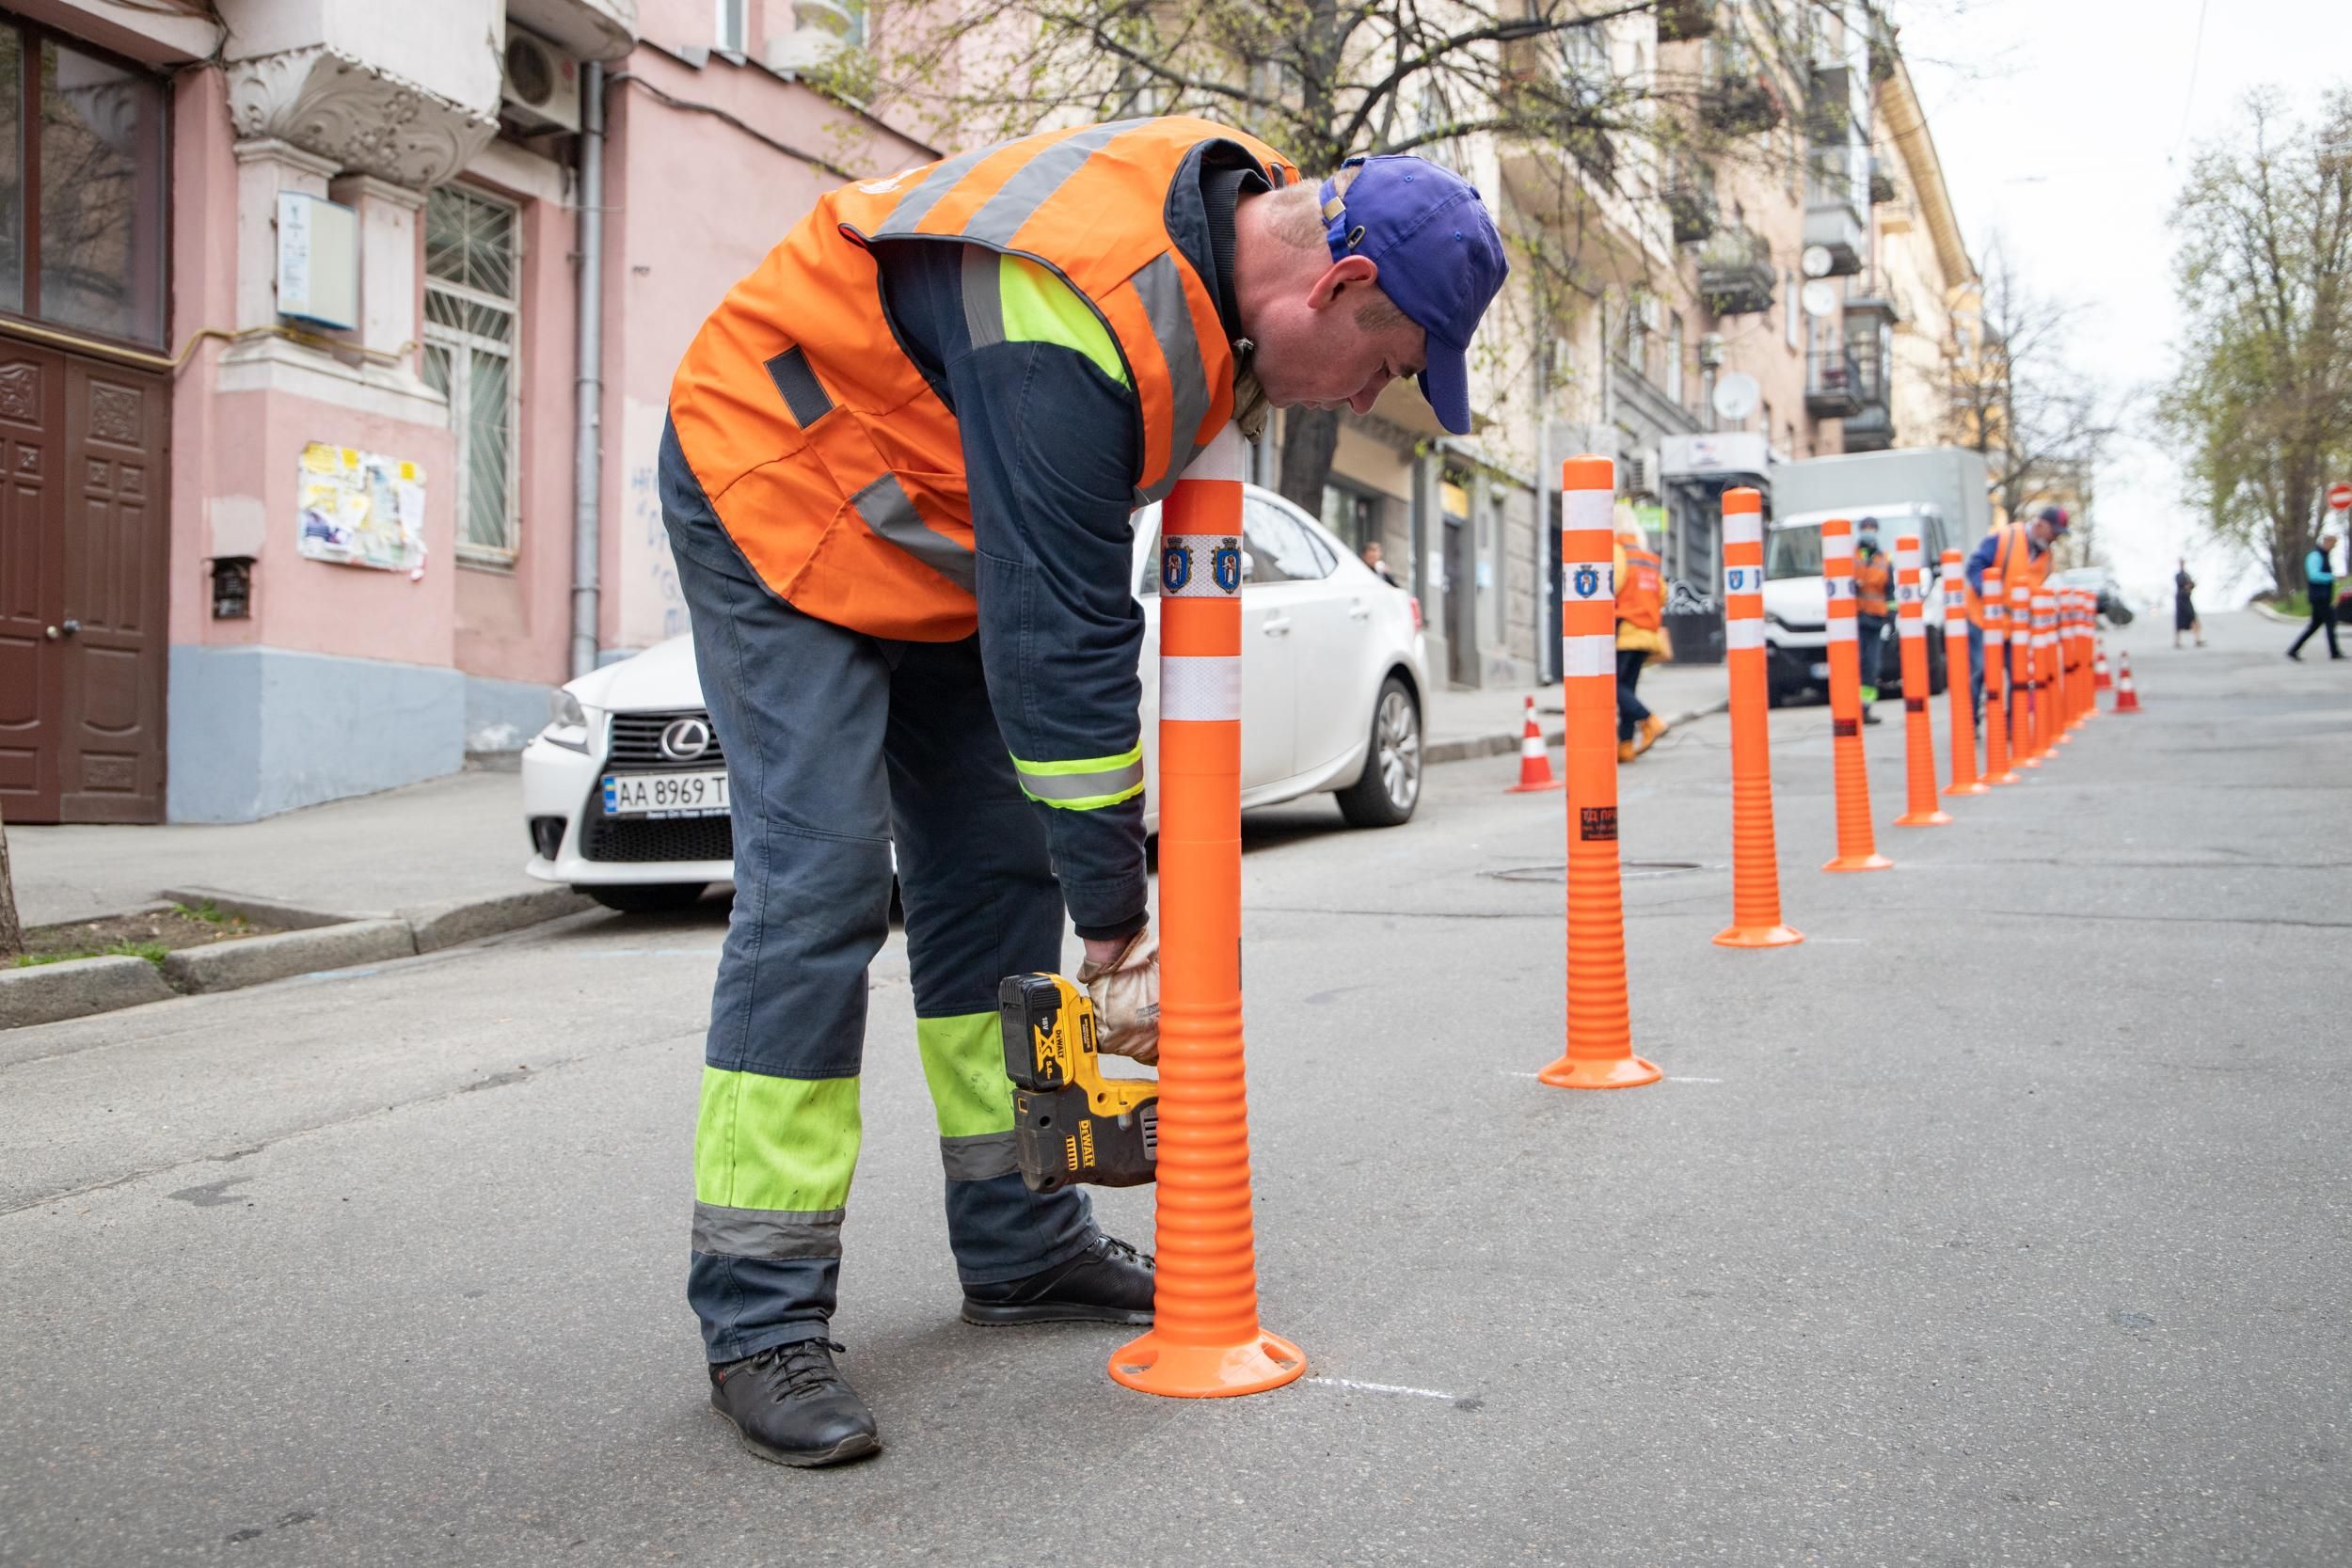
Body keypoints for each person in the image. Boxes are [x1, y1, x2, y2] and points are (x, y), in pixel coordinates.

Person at [660, 119, 1507, 1467]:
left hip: (939, 533)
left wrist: (1081, 886)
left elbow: (1050, 602)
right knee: (822, 880)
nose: (1362, 400)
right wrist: (1116, 914)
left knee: (994, 874)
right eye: (1384, 365)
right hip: (781, 480)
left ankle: (1020, 1244)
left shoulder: (1233, 248)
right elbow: (1065, 637)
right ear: (1336, 289)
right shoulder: (1072, 307)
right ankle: (759, 1314)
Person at [1964, 502, 2069, 725]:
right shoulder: (2005, 538)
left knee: (2018, 673)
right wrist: (1988, 592)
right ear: (2040, 524)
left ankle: (2013, 725)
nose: (2055, 539)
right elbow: (1974, 566)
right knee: (1979, 670)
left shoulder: (2047, 558)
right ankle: (1969, 722)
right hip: (1983, 618)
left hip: (2015, 626)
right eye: (2054, 532)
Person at [1613, 525, 1670, 760]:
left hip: (1626, 630)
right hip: (1647, 631)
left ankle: (1649, 719)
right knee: (1628, 688)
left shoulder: (1617, 551)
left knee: (1610, 686)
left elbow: (1612, 585)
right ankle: (1625, 747)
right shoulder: (1646, 558)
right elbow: (1662, 594)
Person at [1851, 515, 1892, 724]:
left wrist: (1891, 619)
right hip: (1854, 621)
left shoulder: (1884, 559)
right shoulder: (1850, 556)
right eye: (1865, 527)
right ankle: (1850, 707)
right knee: (1854, 664)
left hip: (1875, 621)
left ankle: (1866, 708)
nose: (1868, 531)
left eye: (1872, 528)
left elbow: (1890, 593)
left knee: (1872, 666)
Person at [2287, 531, 2342, 660]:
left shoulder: (2324, 555)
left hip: (2324, 596)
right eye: (2332, 544)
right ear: (2326, 542)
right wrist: (2332, 577)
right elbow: (2314, 575)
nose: (2333, 547)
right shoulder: (2315, 556)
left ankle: (2294, 649)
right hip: (2319, 597)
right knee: (2330, 622)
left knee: (2315, 625)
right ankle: (2334, 652)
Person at [2173, 558, 2203, 648]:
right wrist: (2187, 585)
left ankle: (2197, 639)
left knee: (2193, 618)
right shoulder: (2178, 575)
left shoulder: (2187, 575)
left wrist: (2190, 585)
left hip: (2187, 599)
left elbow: (2191, 585)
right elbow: (2182, 584)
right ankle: (2177, 641)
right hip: (2180, 600)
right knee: (2179, 621)